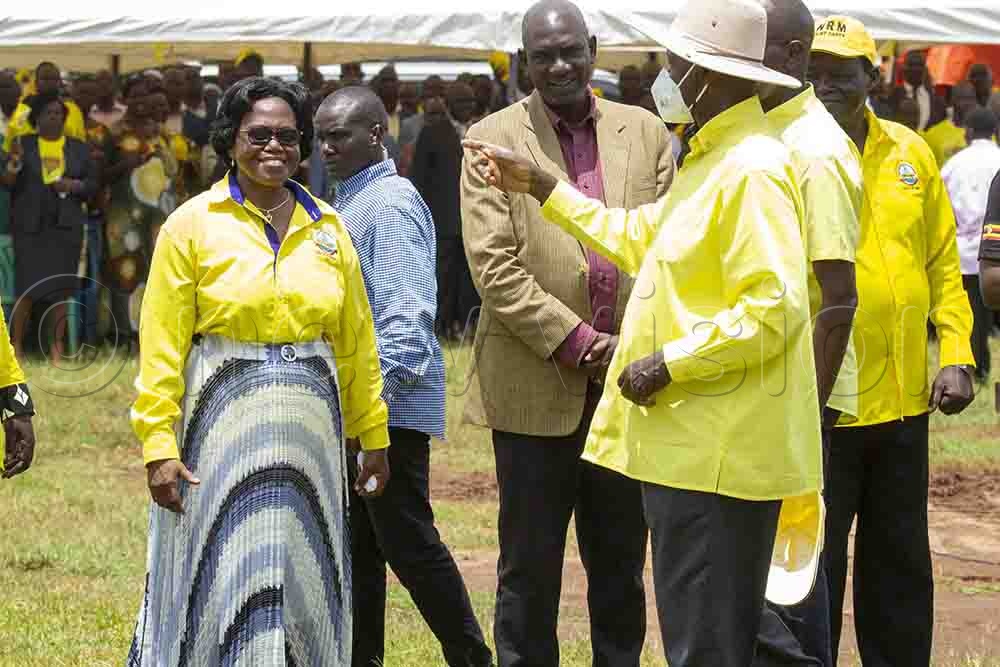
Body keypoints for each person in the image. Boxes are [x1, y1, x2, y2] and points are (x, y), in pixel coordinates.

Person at [465, 0, 825, 664]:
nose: (670, 75)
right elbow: (644, 238)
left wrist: (668, 362)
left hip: (721, 450)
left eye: (676, 64)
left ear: (703, 73)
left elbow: (775, 305)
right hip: (690, 445)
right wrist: (546, 187)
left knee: (709, 639)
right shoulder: (715, 158)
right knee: (705, 632)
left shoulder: (750, 166)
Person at [127, 76, 390, 665]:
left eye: (287, 137)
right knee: (222, 559)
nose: (274, 147)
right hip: (220, 427)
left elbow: (356, 343)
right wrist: (158, 447)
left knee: (303, 562)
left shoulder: (329, 228)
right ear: (230, 141)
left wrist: (373, 437)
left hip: (311, 435)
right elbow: (163, 346)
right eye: (258, 135)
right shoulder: (192, 226)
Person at [460, 1, 674, 664]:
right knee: (528, 571)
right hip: (534, 386)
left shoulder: (646, 132)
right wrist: (583, 344)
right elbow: (494, 269)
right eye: (543, 55)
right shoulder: (490, 138)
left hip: (627, 393)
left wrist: (629, 348)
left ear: (594, 49)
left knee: (619, 569)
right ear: (524, 60)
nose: (558, 66)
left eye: (570, 51)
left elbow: (669, 251)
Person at [809, 17, 976, 666]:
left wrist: (958, 355)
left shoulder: (912, 153)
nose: (825, 84)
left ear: (871, 77)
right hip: (825, 405)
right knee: (814, 567)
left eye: (841, 71)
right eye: (815, 71)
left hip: (906, 405)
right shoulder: (791, 154)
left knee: (900, 563)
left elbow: (942, 266)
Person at [315, 85, 492, 667]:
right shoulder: (350, 199)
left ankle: (471, 657)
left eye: (339, 135)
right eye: (321, 137)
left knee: (408, 545)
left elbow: (405, 318)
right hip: (362, 412)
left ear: (377, 134)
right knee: (362, 550)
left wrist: (372, 421)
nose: (326, 147)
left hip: (386, 415)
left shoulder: (387, 203)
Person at [753, 2, 863, 665]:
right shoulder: (769, 133)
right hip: (765, 389)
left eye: (752, 46)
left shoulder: (815, 149)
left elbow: (838, 300)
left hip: (798, 395)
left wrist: (802, 414)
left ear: (793, 56)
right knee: (775, 569)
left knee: (788, 576)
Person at [0, 90, 95, 361]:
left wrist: (72, 185)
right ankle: (15, 348)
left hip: (65, 228)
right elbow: (7, 181)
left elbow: (92, 184)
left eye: (58, 114)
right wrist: (15, 161)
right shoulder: (23, 144)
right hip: (30, 228)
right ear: (37, 118)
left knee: (61, 291)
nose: (54, 118)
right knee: (26, 290)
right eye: (48, 113)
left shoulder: (78, 147)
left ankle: (56, 350)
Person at [103, 74, 179, 340]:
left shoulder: (165, 134)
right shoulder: (113, 133)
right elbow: (102, 174)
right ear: (125, 99)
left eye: (144, 95)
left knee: (157, 272)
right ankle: (125, 335)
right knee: (126, 270)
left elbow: (174, 170)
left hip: (159, 214)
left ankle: (154, 335)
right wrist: (127, 163)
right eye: (134, 95)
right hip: (123, 214)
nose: (140, 101)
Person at [411, 84, 481, 340]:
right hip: (443, 221)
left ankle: (466, 326)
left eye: (471, 102)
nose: (467, 107)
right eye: (461, 102)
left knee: (470, 278)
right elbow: (419, 178)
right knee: (443, 277)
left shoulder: (481, 131)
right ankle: (440, 327)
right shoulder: (432, 133)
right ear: (448, 104)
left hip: (474, 219)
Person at [942, 106, 999, 383]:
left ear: (969, 131)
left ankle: (976, 369)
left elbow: (943, 207)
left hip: (966, 252)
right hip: (997, 254)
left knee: (972, 317)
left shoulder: (955, 163)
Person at [4, 62, 86, 152]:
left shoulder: (72, 109)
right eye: (45, 78)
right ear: (36, 82)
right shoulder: (23, 109)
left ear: (60, 82)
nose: (50, 82)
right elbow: (11, 140)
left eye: (54, 79)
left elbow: (80, 143)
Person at [923, 81, 979, 166]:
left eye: (971, 98)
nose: (969, 103)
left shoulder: (985, 134)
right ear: (953, 100)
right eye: (963, 98)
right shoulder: (934, 135)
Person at [893, 50, 934, 131]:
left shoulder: (936, 100)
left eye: (920, 65)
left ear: (925, 69)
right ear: (904, 68)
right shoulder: (893, 96)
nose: (916, 69)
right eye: (911, 65)